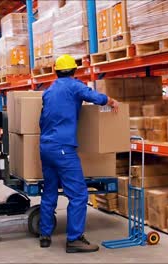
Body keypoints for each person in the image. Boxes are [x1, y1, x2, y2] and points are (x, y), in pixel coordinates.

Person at [39, 54, 119, 253]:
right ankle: (74, 239)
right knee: (79, 194)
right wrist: (110, 100)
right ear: (74, 71)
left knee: (49, 191)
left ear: (56, 71)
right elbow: (94, 97)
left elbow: (42, 120)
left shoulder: (49, 92)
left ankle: (45, 234)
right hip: (63, 149)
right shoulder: (73, 86)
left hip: (46, 147)